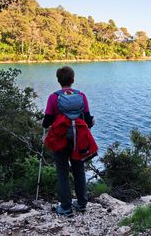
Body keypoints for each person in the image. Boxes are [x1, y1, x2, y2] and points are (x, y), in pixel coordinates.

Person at [43, 66, 94, 217]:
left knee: (62, 172)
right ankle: (82, 204)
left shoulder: (54, 97)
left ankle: (65, 207)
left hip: (60, 140)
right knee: (79, 170)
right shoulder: (81, 95)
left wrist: (46, 125)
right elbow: (88, 120)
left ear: (58, 80)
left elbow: (47, 122)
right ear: (72, 80)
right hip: (79, 140)